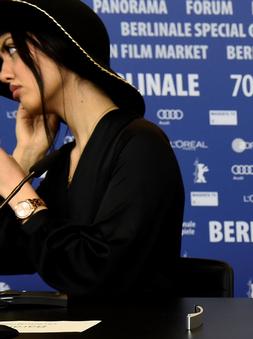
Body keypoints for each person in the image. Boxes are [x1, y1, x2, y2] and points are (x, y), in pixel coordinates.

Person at [0, 0, 183, 297]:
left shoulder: (141, 145)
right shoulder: (66, 160)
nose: (4, 74)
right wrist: (24, 158)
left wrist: (16, 189)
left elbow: (98, 272)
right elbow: (7, 253)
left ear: (57, 46)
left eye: (12, 50)